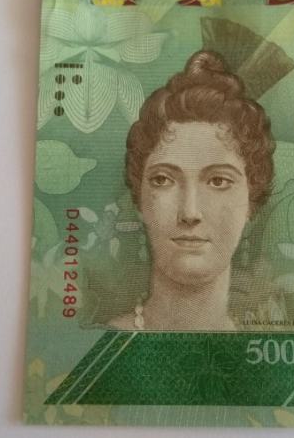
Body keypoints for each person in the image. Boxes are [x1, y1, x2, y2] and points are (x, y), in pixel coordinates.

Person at [109, 50, 275, 331]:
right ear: (139, 198)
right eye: (163, 180)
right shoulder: (107, 339)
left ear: (252, 200)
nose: (190, 212)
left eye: (218, 181)